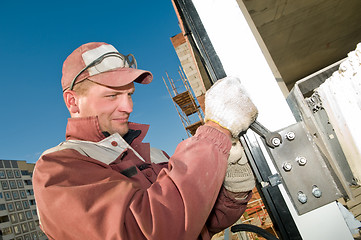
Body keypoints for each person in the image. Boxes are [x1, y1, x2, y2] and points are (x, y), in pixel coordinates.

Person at [33, 42, 258, 240]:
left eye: (129, 95)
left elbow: (201, 222)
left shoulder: (153, 154)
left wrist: (233, 185)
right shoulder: (58, 167)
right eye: (112, 95)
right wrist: (214, 135)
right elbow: (147, 232)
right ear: (72, 102)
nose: (128, 107)